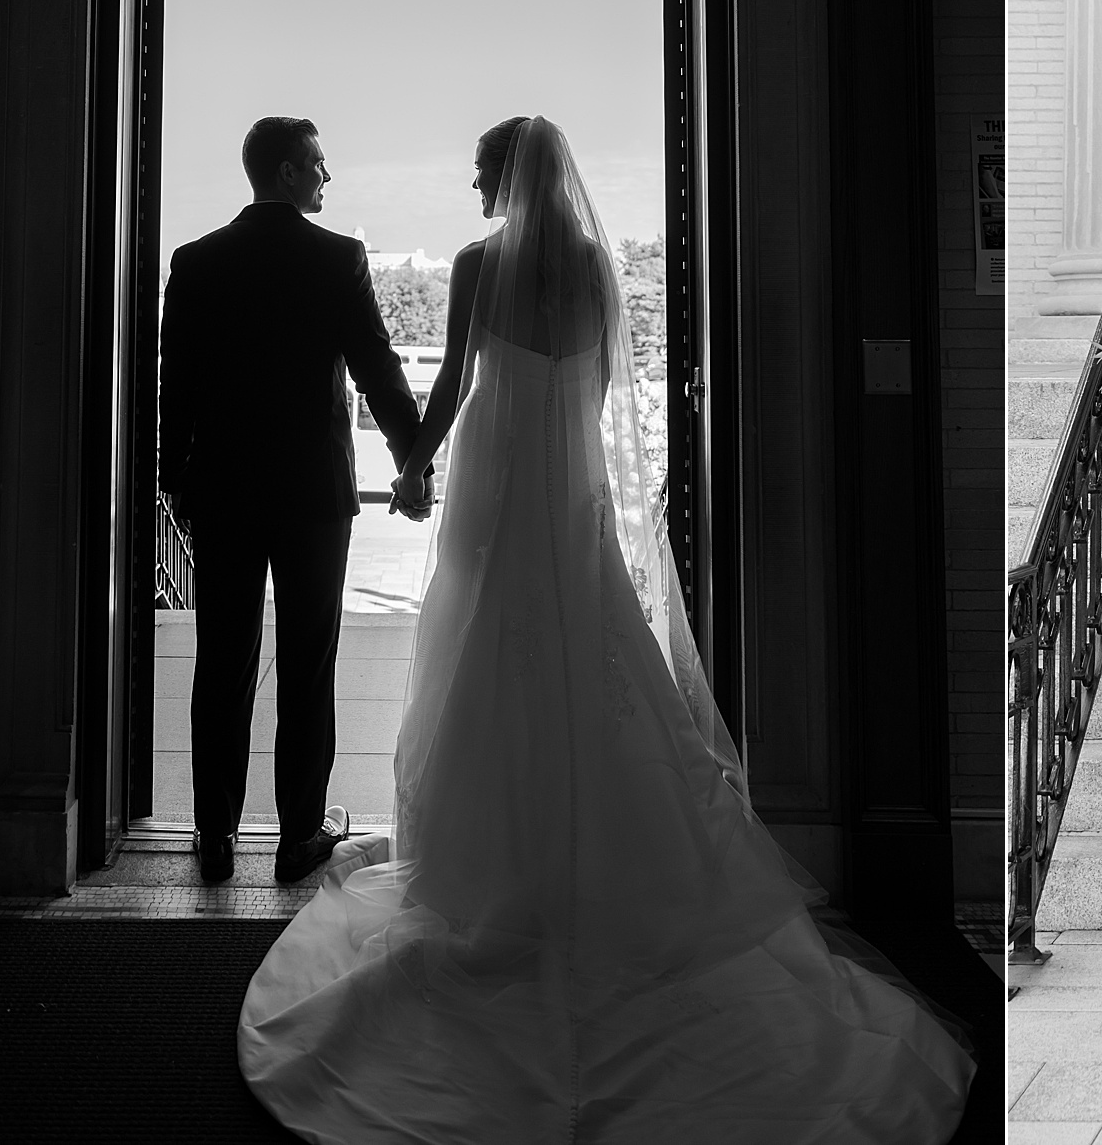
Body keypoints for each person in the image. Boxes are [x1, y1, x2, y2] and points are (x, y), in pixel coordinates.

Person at [237, 118, 974, 1142]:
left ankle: (496, 876)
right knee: (594, 667)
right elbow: (608, 393)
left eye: (483, 165)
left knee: (480, 674)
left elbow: (451, 384)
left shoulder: (473, 264)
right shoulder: (592, 269)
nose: (476, 177)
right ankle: (598, 867)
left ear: (510, 175)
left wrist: (413, 467)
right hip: (571, 504)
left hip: (496, 506)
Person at [158, 116, 428, 888]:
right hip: (312, 492)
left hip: (225, 489)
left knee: (222, 659)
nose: (326, 176)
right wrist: (414, 462)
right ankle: (298, 835)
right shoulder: (338, 258)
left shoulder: (197, 261)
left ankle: (214, 837)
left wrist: (176, 477)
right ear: (284, 172)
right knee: (308, 661)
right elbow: (378, 368)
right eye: (316, 163)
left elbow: (178, 383)